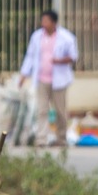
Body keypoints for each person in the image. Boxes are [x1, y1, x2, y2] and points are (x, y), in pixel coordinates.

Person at [18, 8, 77, 146]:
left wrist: (59, 61)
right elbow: (30, 57)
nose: (43, 23)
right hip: (42, 79)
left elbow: (73, 56)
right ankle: (41, 139)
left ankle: (61, 139)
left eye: (46, 21)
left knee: (60, 112)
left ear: (54, 22)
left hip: (59, 81)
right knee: (42, 110)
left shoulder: (66, 37)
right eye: (42, 20)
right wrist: (23, 75)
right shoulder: (37, 36)